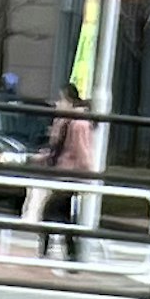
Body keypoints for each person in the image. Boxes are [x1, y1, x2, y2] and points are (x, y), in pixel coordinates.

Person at [29, 82, 101, 264]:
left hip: (69, 175)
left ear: (70, 101)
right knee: (61, 214)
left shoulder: (77, 123)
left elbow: (82, 151)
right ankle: (67, 255)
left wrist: (89, 174)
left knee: (51, 212)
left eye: (61, 99)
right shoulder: (67, 121)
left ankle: (52, 254)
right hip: (63, 173)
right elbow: (59, 150)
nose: (58, 103)